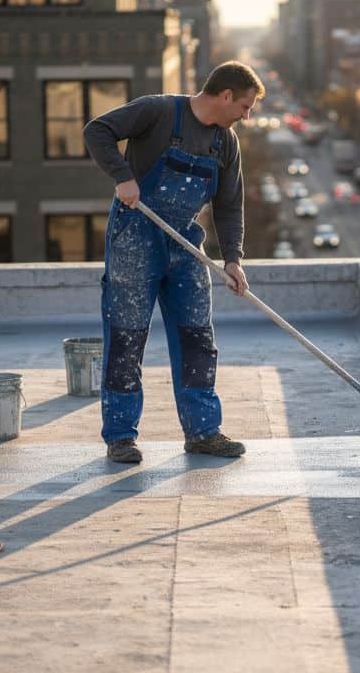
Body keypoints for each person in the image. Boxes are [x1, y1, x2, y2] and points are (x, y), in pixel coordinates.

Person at [83, 61, 263, 464]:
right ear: (225, 95)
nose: (247, 116)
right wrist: (122, 175)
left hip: (184, 244)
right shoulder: (159, 111)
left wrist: (233, 259)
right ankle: (121, 437)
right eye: (246, 106)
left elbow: (230, 205)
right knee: (127, 338)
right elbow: (97, 131)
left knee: (198, 337)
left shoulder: (226, 143)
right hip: (135, 238)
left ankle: (203, 432)